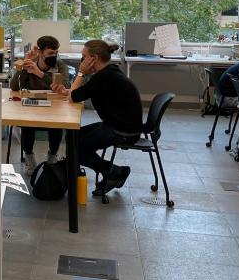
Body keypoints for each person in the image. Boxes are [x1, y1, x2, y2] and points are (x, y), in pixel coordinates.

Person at [51, 40, 142, 195]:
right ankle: (113, 171)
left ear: (94, 58)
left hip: (123, 131)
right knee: (73, 138)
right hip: (119, 124)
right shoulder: (109, 72)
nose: (82, 61)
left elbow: (74, 97)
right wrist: (66, 92)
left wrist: (81, 73)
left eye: (83, 56)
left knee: (76, 149)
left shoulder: (103, 77)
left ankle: (115, 172)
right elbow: (80, 93)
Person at [9, 35, 68, 172]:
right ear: (40, 52)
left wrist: (40, 73)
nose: (54, 56)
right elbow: (14, 87)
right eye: (50, 53)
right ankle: (30, 158)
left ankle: (52, 158)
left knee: (56, 126)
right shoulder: (30, 63)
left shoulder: (59, 65)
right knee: (27, 124)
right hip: (32, 106)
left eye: (56, 52)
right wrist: (24, 65)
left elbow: (64, 86)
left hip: (54, 108)